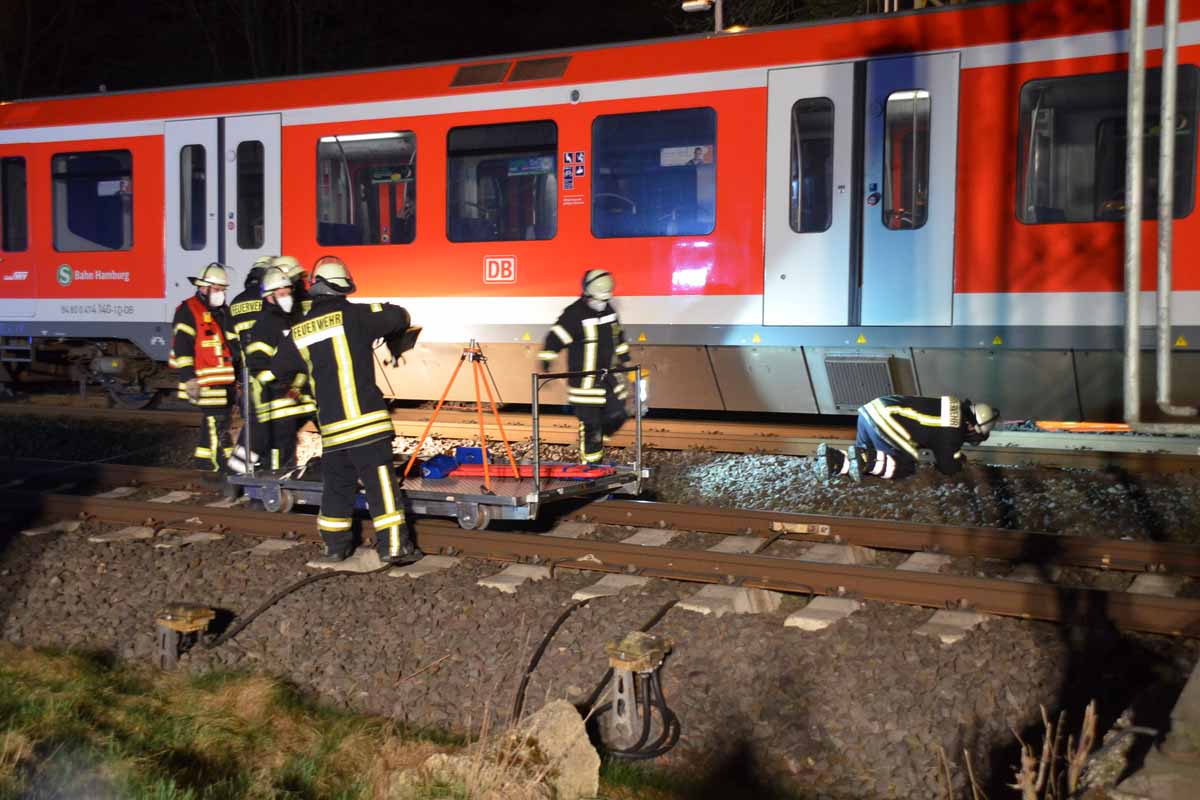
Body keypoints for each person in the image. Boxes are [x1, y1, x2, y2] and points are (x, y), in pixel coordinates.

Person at [272, 256, 422, 564]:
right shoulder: (356, 316)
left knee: (336, 487)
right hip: (366, 422)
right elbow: (399, 316)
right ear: (343, 288)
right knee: (380, 483)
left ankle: (335, 547)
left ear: (315, 288)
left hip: (332, 428)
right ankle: (394, 547)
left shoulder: (299, 331)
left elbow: (279, 368)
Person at [538, 268, 632, 464]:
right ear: (587, 294)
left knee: (619, 415)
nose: (601, 304)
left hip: (608, 379)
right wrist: (547, 360)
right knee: (591, 426)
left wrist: (625, 359)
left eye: (605, 300)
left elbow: (618, 337)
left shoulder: (608, 311)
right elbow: (555, 338)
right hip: (584, 384)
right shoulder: (574, 314)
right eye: (598, 300)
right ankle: (590, 465)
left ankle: (595, 444)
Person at [230, 266, 317, 474]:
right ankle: (270, 485)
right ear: (269, 297)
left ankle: (244, 478)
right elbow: (259, 368)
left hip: (289, 400)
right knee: (276, 446)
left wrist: (295, 386)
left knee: (275, 443)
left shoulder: (289, 320)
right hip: (273, 399)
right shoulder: (264, 326)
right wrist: (283, 382)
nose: (287, 297)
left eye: (288, 293)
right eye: (282, 294)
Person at [817, 395, 998, 482]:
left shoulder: (953, 405)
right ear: (973, 426)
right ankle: (863, 460)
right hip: (887, 418)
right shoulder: (955, 429)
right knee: (903, 466)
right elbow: (948, 465)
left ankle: (832, 460)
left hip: (871, 410)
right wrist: (961, 466)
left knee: (864, 454)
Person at [169, 262, 240, 474]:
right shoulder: (188, 310)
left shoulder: (223, 312)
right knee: (217, 423)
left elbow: (232, 346)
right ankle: (222, 468)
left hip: (224, 380)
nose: (221, 294)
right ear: (203, 288)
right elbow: (182, 347)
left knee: (217, 420)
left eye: (222, 290)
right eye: (217, 290)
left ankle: (203, 462)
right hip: (202, 381)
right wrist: (188, 378)